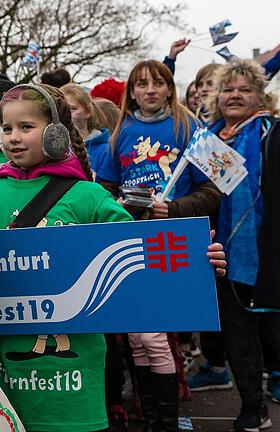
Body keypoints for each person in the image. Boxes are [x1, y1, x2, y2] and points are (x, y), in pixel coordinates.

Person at [0, 83, 227, 432]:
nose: (14, 137)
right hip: (0, 382)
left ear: (55, 134)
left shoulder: (89, 197)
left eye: (26, 127)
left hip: (76, 385)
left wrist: (199, 262)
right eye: (7, 128)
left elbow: (142, 260)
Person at [97, 60, 221, 431]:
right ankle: (148, 417)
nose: (149, 90)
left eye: (157, 83)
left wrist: (174, 208)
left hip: (172, 242)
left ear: (169, 87)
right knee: (136, 336)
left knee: (154, 334)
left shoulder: (190, 127)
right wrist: (116, 206)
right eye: (141, 84)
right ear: (131, 92)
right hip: (131, 242)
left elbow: (214, 191)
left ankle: (167, 421)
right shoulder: (121, 133)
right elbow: (105, 189)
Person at [204, 58, 280, 432]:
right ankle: (253, 406)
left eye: (244, 89)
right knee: (237, 331)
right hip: (215, 252)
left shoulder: (272, 133)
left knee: (271, 332)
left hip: (264, 252)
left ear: (259, 95)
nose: (235, 95)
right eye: (228, 89)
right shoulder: (204, 140)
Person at [61, 83, 108, 178]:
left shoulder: (105, 151)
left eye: (71, 109)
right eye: (60, 109)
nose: (64, 114)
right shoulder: (53, 150)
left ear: (88, 112)